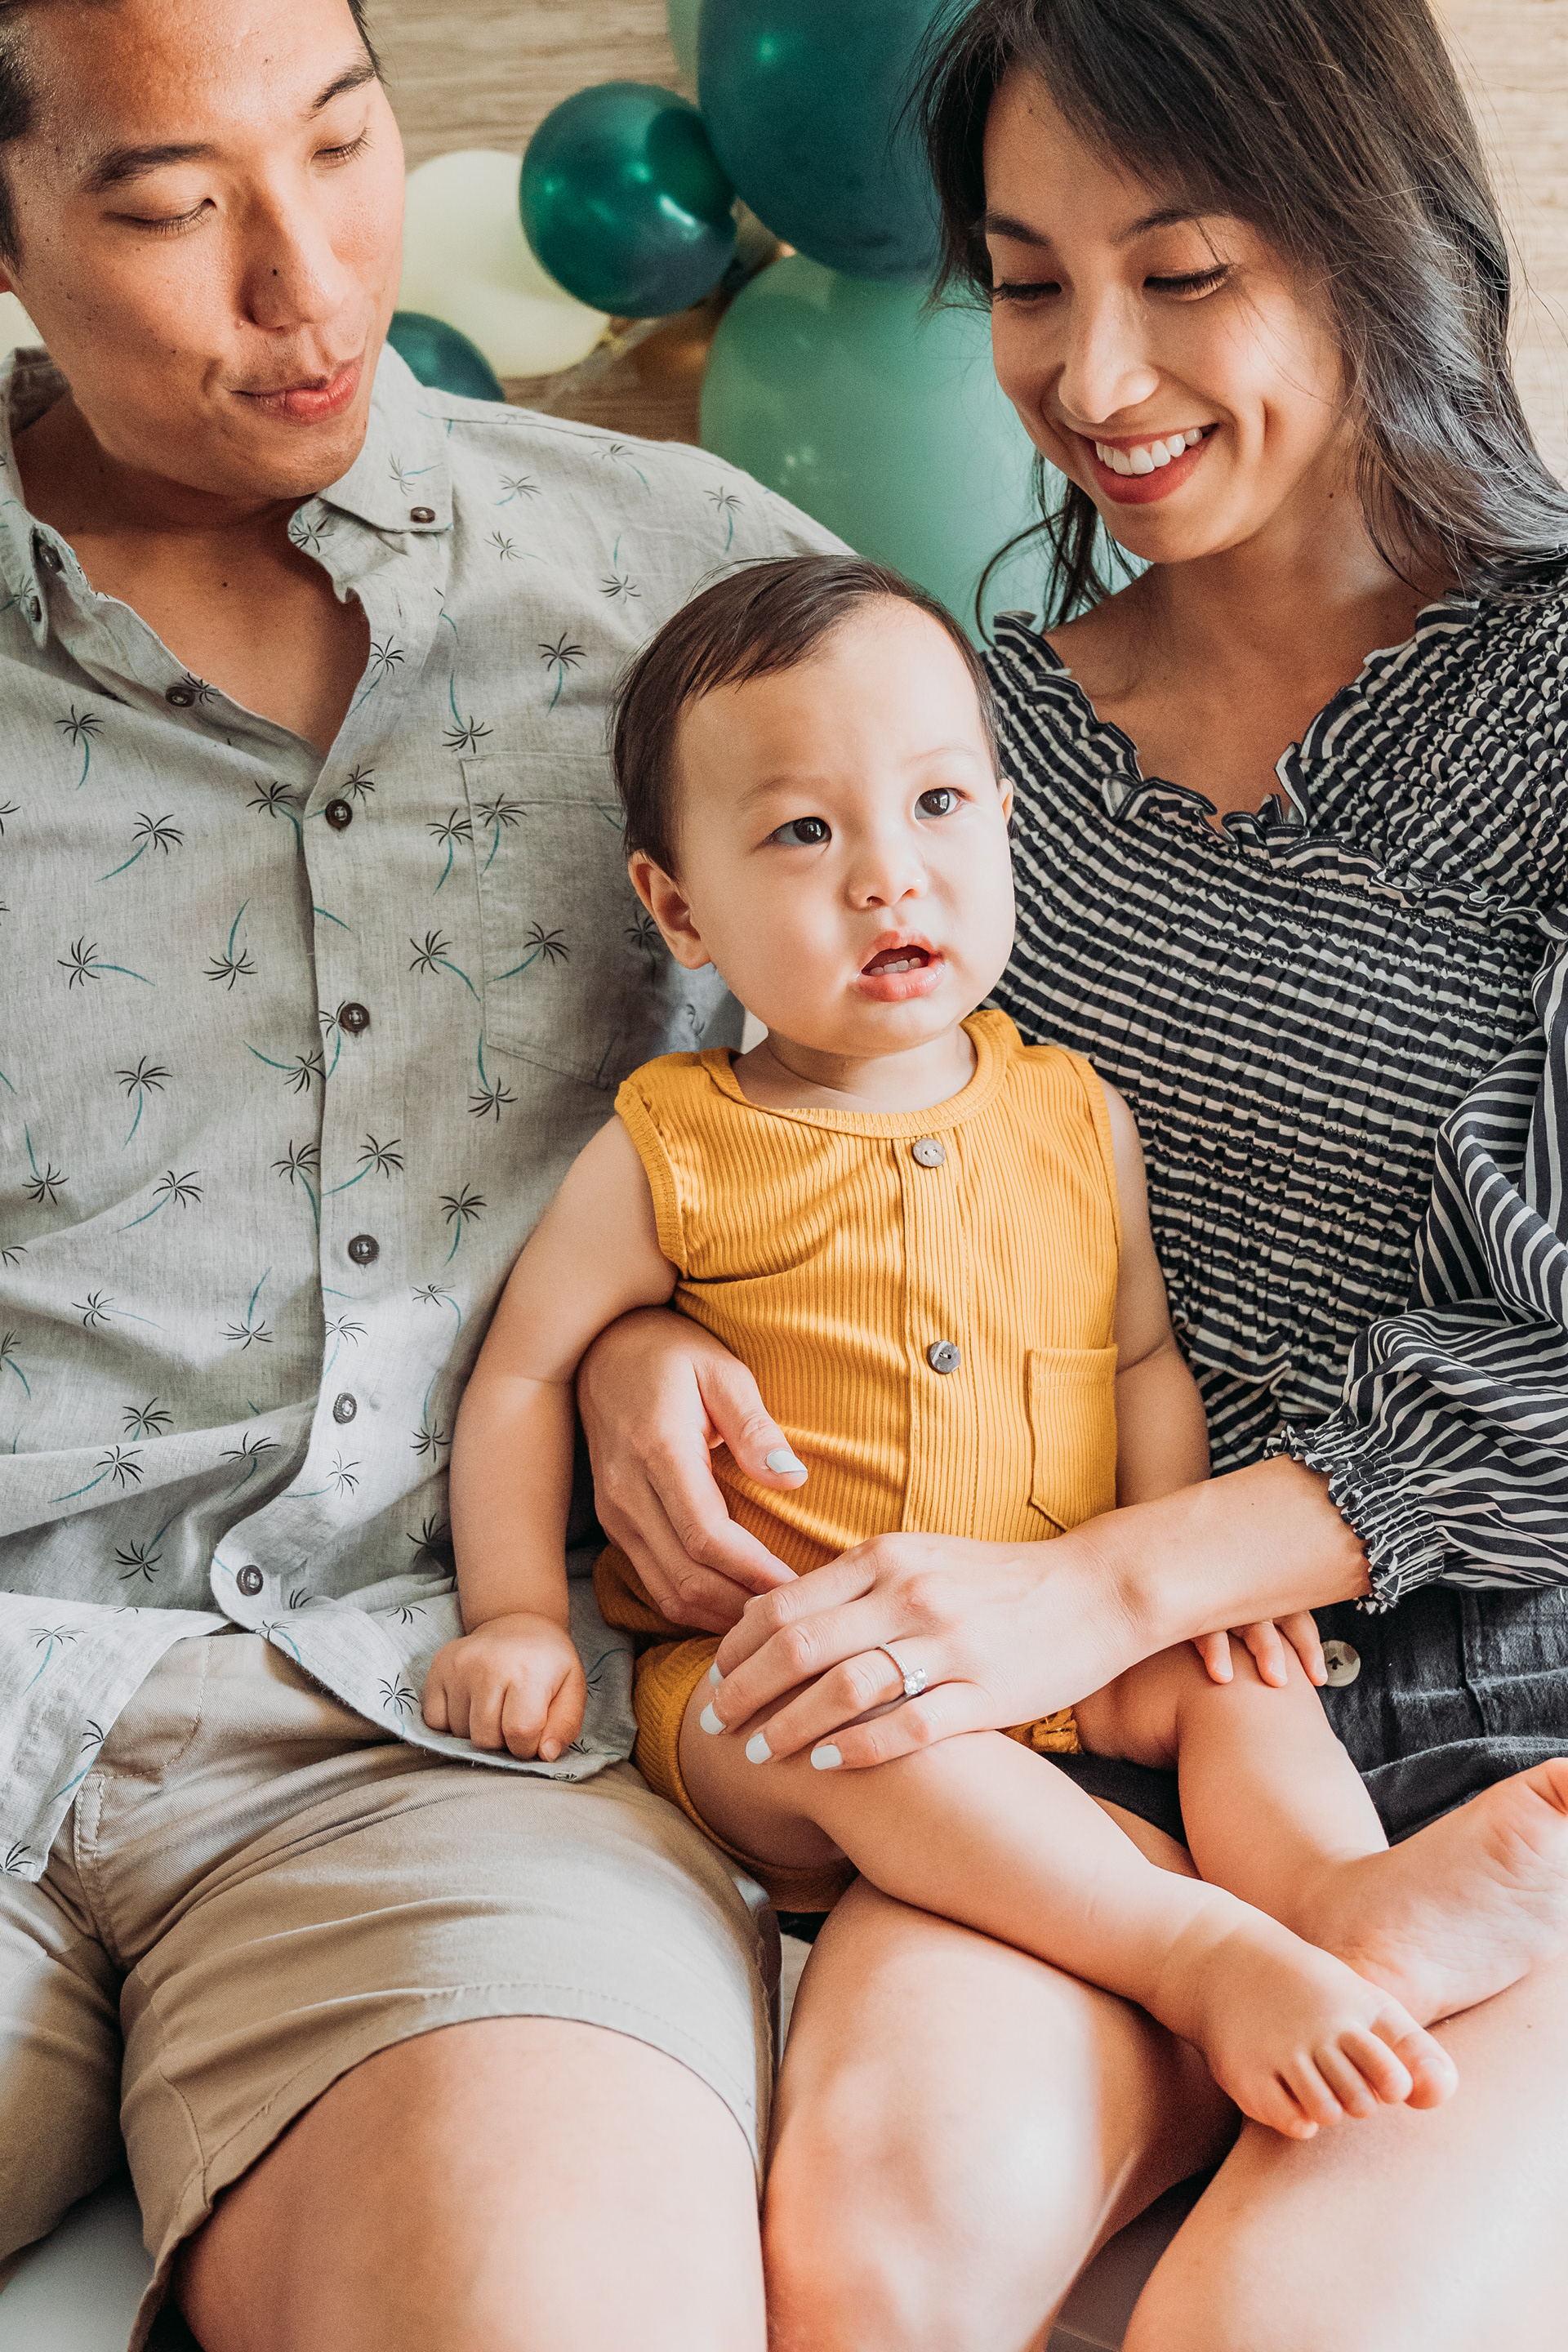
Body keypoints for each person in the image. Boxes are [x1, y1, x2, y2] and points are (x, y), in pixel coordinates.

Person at [574, 2, 1568, 2345]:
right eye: (1028, 285)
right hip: (1058, 1732)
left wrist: (1109, 1583)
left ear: (1377, 234)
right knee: (874, 2263)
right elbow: (771, 1138)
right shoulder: (954, 749)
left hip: (1499, 1711)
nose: (1093, 377)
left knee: (1275, 2325)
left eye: (1184, 272)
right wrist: (633, 1354)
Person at [0, 1, 842, 2345]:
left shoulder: (704, 593)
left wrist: (653, 1306)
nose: (307, 279)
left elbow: (945, 1104)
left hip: (451, 1736)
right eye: (175, 207)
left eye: (344, 144)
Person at [436, 544, 1568, 2139]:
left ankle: (1335, 1894)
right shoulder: (673, 1142)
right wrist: (513, 1620)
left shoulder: (1073, 1108)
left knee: (1242, 1683)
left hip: (1061, 1638)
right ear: (679, 907)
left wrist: (1180, 1578)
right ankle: (1197, 1954)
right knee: (874, 1734)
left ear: (1008, 824)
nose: (887, 877)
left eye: (939, 806)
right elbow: (524, 1374)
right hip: (775, 1674)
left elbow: (1141, 1365)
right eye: (805, 831)